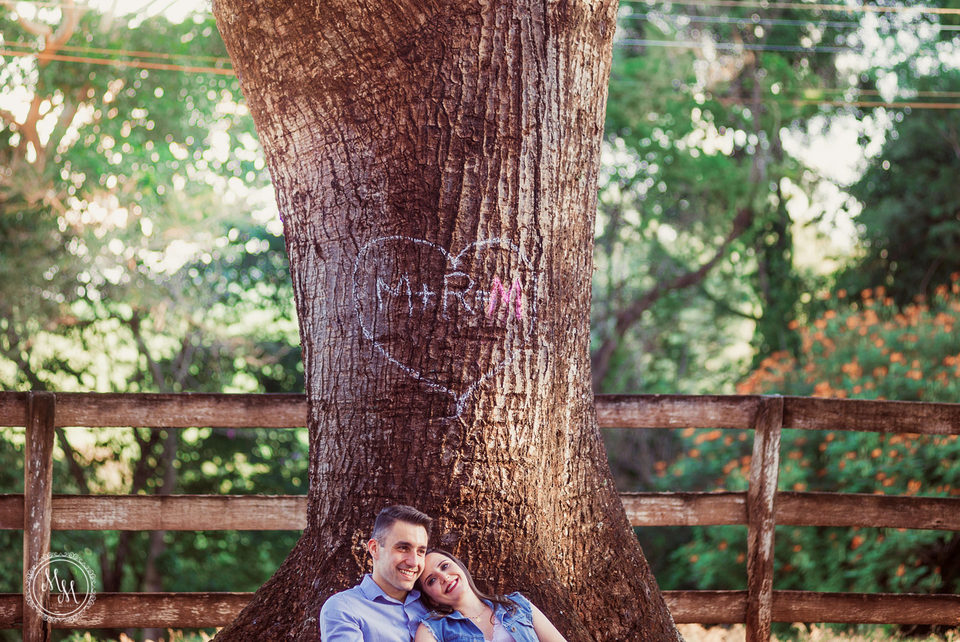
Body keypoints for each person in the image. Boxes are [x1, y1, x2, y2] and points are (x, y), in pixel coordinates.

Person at [319, 504, 432, 641]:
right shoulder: (344, 608)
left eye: (420, 551)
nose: (414, 562)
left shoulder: (433, 603)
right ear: (374, 548)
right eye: (403, 548)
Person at [413, 549, 568, 642]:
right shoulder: (433, 629)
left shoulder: (517, 605)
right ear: (431, 599)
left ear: (460, 566)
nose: (444, 577)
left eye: (445, 566)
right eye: (432, 580)